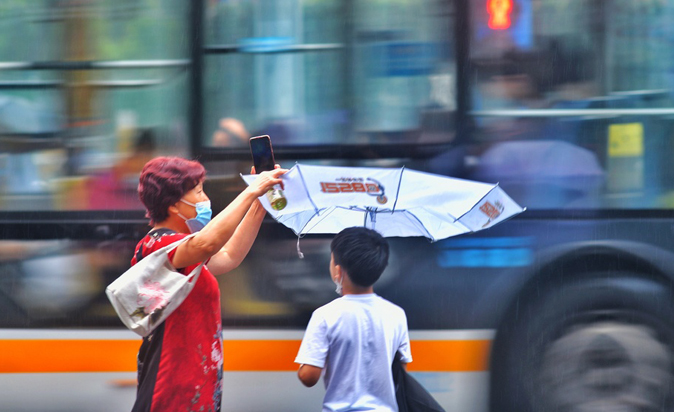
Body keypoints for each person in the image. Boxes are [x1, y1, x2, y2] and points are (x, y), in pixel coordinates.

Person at [130, 156, 286, 412]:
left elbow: (228, 256)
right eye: (199, 191)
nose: (205, 199)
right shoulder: (156, 246)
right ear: (173, 205)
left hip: (195, 382)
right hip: (171, 384)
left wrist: (261, 200)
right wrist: (252, 190)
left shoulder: (185, 250)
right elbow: (207, 244)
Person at [295, 227, 413, 412]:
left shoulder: (326, 315)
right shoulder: (396, 313)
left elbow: (308, 377)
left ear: (338, 271)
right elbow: (402, 371)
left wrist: (309, 362)